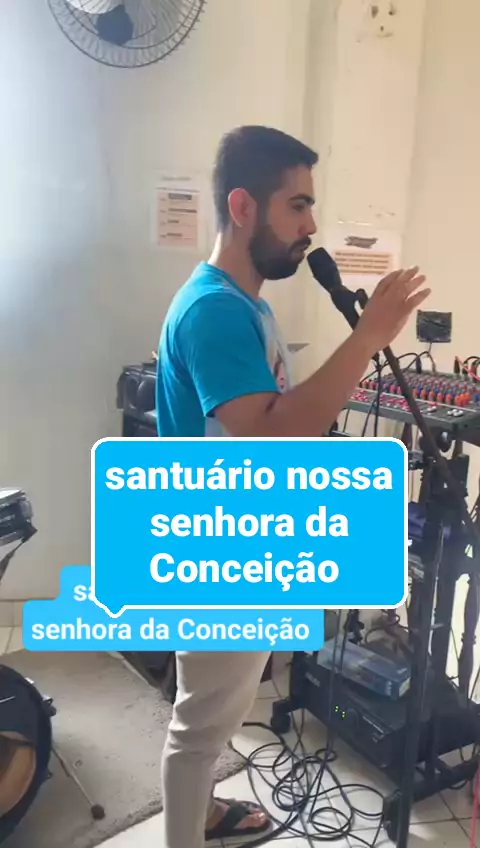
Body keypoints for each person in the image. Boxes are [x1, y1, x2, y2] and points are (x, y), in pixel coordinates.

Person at [156, 126, 430, 848]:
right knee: (198, 729)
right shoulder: (215, 310)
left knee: (216, 710)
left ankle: (203, 814)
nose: (311, 225)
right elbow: (271, 431)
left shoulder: (244, 303)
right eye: (298, 205)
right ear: (243, 206)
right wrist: (366, 338)